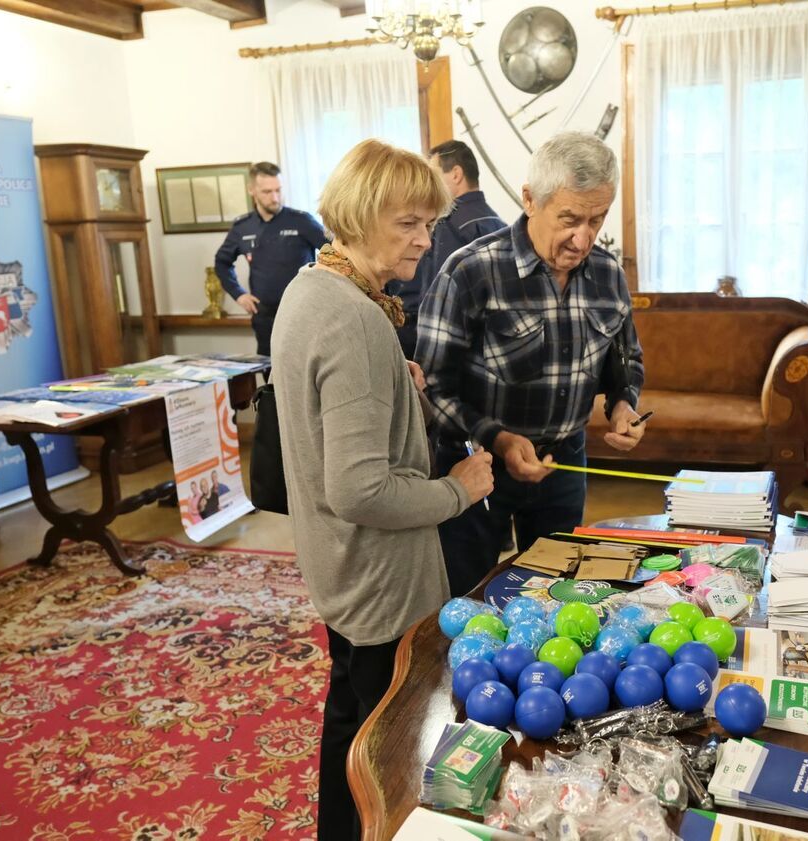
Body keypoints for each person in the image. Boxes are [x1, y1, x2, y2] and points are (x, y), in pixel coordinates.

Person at [271, 138, 494, 841]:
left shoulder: (311, 290)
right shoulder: (355, 318)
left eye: (429, 223)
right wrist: (459, 489)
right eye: (409, 223)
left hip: (340, 570)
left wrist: (394, 388)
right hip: (380, 581)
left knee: (351, 733)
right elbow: (362, 488)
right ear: (362, 216)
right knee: (395, 754)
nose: (426, 241)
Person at [417, 131, 646, 597]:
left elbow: (625, 361)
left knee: (558, 595)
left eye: (597, 220)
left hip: (565, 464)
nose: (583, 238)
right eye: (570, 218)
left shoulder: (607, 274)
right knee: (469, 599)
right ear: (529, 199)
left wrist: (624, 404)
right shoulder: (470, 271)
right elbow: (432, 389)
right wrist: (499, 441)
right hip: (476, 465)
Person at [385, 140, 507, 359]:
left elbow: (436, 298)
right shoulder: (498, 222)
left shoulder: (448, 225)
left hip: (446, 347)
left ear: (456, 174)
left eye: (434, 173)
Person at [214, 162, 328, 356]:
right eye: (267, 192)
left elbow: (335, 253)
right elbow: (221, 262)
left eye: (278, 190)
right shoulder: (243, 226)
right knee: (270, 377)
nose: (275, 198)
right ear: (252, 190)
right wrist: (239, 294)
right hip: (265, 317)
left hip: (303, 313)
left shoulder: (301, 221)